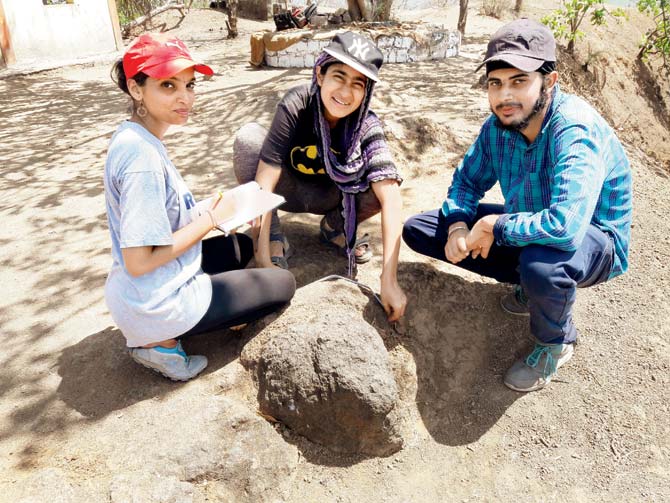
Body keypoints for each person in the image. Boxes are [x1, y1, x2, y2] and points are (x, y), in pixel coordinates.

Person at [402, 19, 632, 392]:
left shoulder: (575, 131)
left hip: (593, 241)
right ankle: (531, 287)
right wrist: (460, 226)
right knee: (422, 228)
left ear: (549, 81)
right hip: (530, 222)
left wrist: (494, 226)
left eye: (519, 81)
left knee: (542, 263)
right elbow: (466, 182)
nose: (504, 96)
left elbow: (565, 226)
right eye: (496, 83)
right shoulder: (498, 126)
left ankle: (557, 340)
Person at [104, 33, 296, 381]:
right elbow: (139, 260)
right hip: (156, 302)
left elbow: (159, 219)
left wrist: (216, 211)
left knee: (238, 248)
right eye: (167, 85)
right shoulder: (141, 157)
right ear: (136, 89)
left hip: (142, 289)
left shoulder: (135, 136)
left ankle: (173, 320)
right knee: (282, 283)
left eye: (189, 85)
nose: (185, 97)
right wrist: (210, 220)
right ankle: (159, 344)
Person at [233, 31, 407, 322]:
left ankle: (334, 227)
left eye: (358, 83)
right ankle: (275, 238)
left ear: (367, 91)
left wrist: (388, 280)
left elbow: (391, 199)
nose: (345, 91)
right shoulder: (296, 104)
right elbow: (266, 177)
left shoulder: (367, 125)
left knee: (385, 182)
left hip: (331, 196)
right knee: (249, 142)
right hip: (286, 192)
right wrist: (262, 257)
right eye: (339, 76)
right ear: (320, 73)